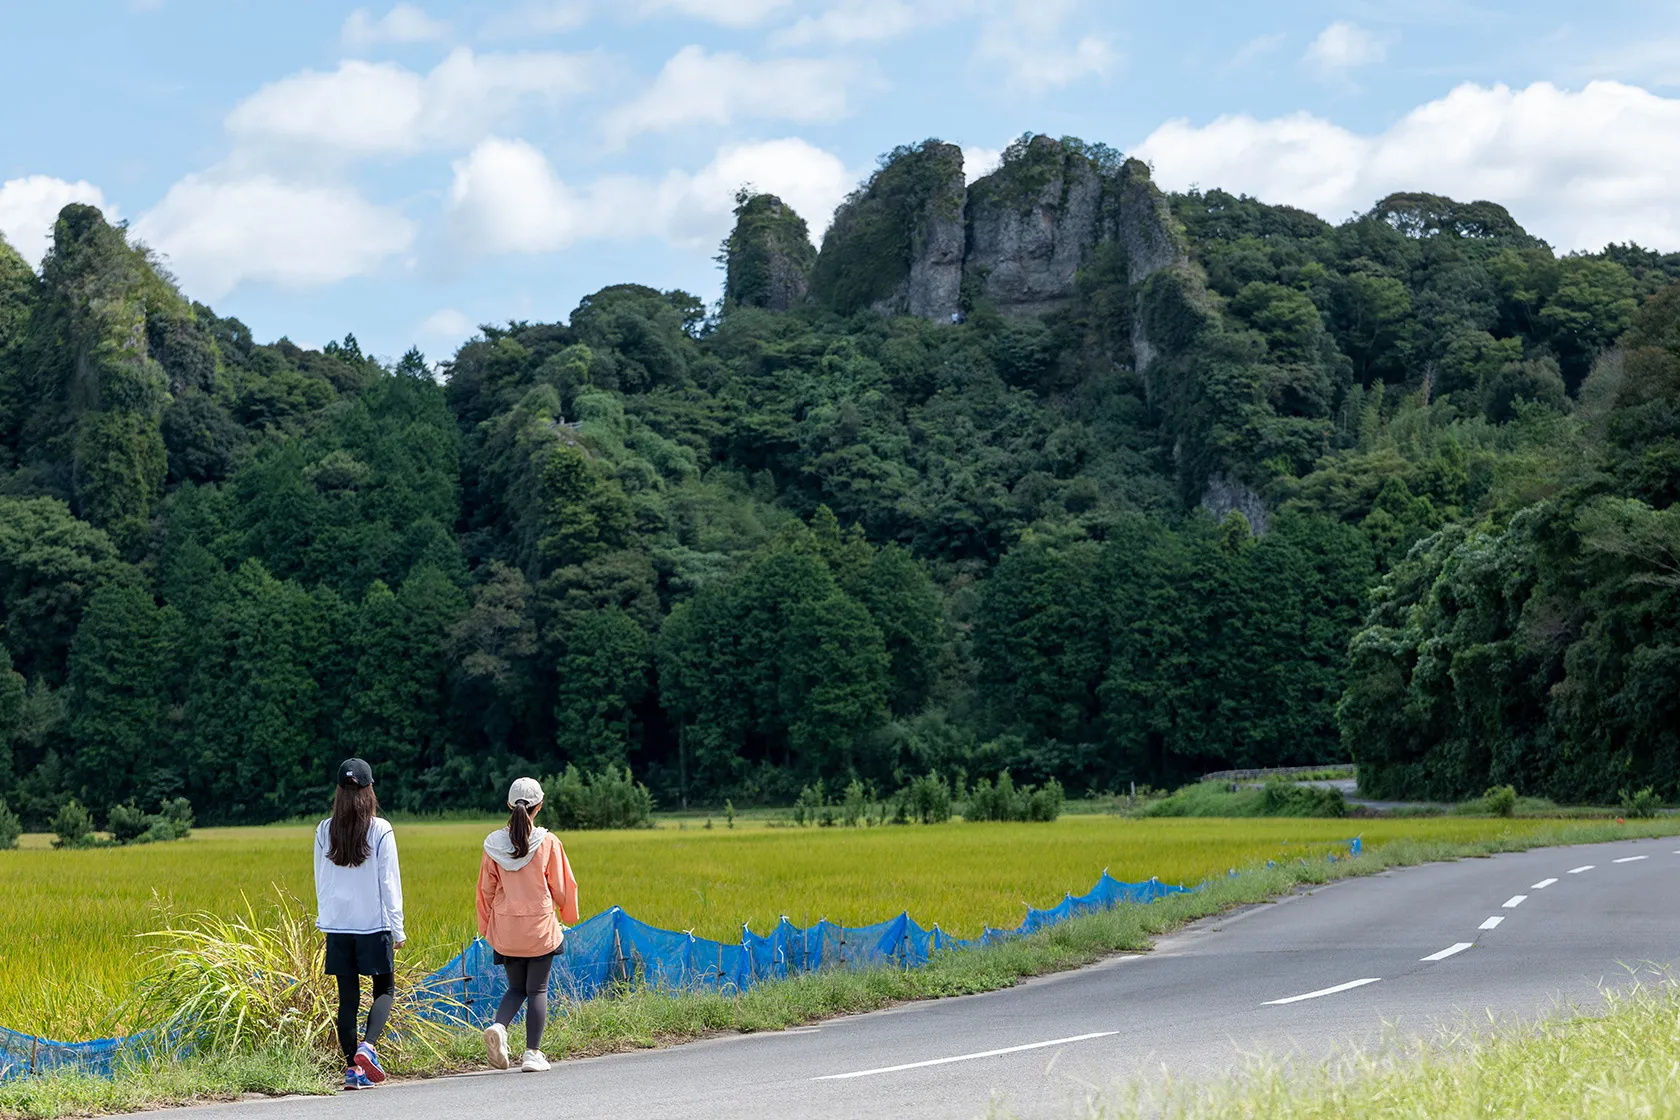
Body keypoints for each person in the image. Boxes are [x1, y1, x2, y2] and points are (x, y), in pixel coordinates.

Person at [476, 776, 579, 1074]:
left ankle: (499, 1026)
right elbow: (562, 886)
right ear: (540, 806)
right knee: (537, 990)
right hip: (539, 928)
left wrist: (487, 928)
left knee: (516, 987)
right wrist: (568, 915)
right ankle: (532, 1053)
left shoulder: (493, 844)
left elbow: (486, 890)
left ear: (509, 805)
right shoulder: (548, 842)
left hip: (506, 929)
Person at [314, 758, 405, 1091]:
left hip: (338, 927)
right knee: (385, 989)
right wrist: (398, 927)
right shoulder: (380, 829)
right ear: (369, 791)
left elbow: (320, 879)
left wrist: (325, 921)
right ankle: (368, 1047)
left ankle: (354, 1070)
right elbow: (389, 882)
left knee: (347, 999)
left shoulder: (324, 830)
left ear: (339, 792)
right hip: (373, 925)